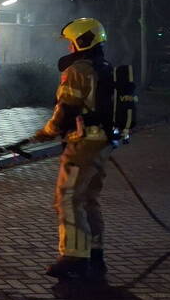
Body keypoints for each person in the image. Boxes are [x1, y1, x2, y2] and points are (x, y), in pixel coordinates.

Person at [30, 17, 114, 279]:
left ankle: (75, 258)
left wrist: (46, 133)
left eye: (71, 42)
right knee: (89, 198)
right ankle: (95, 254)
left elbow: (66, 108)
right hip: (101, 143)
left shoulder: (78, 70)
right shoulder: (104, 68)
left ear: (82, 40)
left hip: (82, 145)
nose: (69, 48)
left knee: (67, 198)